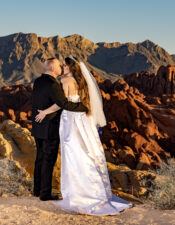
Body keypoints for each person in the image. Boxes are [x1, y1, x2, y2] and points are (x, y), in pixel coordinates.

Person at [35, 55, 133, 215]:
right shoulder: (81, 82)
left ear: (69, 68)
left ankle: (78, 196)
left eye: (64, 67)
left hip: (71, 121)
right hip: (83, 120)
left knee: (74, 155)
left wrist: (45, 112)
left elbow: (61, 104)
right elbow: (80, 102)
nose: (62, 69)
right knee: (86, 153)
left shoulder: (66, 81)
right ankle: (93, 193)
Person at [31, 57, 88, 201]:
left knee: (39, 159)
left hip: (38, 127)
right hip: (50, 128)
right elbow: (63, 104)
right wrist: (84, 107)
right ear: (53, 68)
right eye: (59, 66)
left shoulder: (38, 81)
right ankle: (45, 194)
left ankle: (36, 190)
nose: (61, 68)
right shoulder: (53, 84)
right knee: (48, 161)